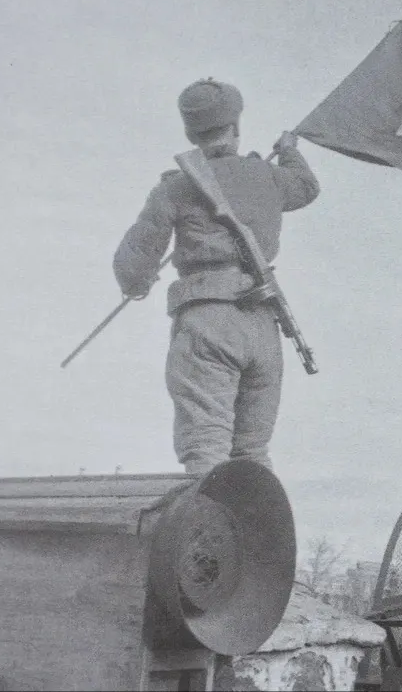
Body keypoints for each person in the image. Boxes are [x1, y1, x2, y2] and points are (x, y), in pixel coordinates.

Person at [113, 78, 319, 475]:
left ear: (190, 131)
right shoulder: (266, 175)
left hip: (208, 320)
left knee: (206, 450)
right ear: (236, 127)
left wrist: (136, 283)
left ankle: (209, 536)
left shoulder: (176, 186)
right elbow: (307, 189)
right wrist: (290, 152)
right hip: (263, 321)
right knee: (253, 456)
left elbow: (134, 263)